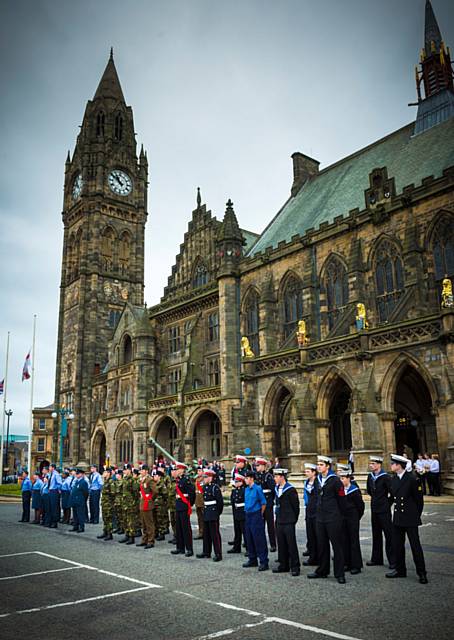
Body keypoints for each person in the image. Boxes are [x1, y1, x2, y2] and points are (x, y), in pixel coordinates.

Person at [386, 453, 428, 584]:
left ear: (399, 465)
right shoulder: (393, 479)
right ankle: (400, 570)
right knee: (397, 545)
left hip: (410, 517)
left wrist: (416, 515)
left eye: (393, 464)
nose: (391, 465)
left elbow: (419, 501)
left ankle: (422, 573)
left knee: (415, 546)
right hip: (398, 517)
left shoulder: (412, 479)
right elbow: (392, 498)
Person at [308, 455, 346, 584]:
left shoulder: (335, 480)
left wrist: (340, 516)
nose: (318, 466)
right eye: (318, 464)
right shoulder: (318, 479)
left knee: (337, 546)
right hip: (320, 517)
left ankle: (339, 573)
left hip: (333, 517)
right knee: (322, 545)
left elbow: (342, 499)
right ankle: (322, 570)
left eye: (321, 464)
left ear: (328, 466)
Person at [366, 455, 394, 568]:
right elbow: (369, 491)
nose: (371, 465)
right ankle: (377, 559)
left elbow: (392, 493)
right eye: (370, 463)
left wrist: (387, 503)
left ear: (379, 464)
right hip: (374, 509)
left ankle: (393, 561)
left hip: (384, 510)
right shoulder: (370, 476)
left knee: (389, 535)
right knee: (376, 534)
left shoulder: (386, 477)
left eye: (373, 463)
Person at [272, 468, 300, 576]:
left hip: (288, 520)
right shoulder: (277, 488)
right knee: (281, 543)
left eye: (276, 476)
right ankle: (283, 565)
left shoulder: (290, 489)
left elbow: (295, 507)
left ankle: (295, 566)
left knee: (291, 544)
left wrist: (293, 519)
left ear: (282, 477)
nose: (274, 478)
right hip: (279, 519)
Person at [338, 467, 364, 574]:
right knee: (344, 540)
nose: (342, 480)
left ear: (349, 479)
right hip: (343, 518)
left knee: (354, 541)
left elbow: (360, 506)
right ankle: (346, 563)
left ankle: (356, 565)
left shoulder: (354, 490)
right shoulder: (340, 491)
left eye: (344, 478)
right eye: (341, 478)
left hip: (353, 518)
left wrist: (356, 517)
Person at [243, 470, 269, 571]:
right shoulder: (246, 489)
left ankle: (263, 561)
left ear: (251, 479)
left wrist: (260, 514)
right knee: (249, 538)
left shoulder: (257, 488)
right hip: (248, 515)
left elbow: (263, 503)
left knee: (259, 538)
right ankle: (252, 559)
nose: (245, 480)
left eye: (247, 478)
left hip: (256, 515)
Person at [196, 468, 224, 561]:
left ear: (211, 477)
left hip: (213, 513)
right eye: (204, 477)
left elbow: (220, 503)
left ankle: (218, 553)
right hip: (207, 512)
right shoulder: (205, 487)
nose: (204, 478)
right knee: (206, 534)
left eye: (206, 477)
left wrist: (217, 513)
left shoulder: (215, 488)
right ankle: (206, 552)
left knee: (215, 534)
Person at [171, 462, 195, 557]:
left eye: (177, 469)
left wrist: (189, 504)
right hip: (178, 505)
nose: (176, 471)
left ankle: (189, 549)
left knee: (186, 528)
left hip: (184, 505)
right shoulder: (178, 480)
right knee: (179, 528)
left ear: (182, 470)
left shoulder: (186, 480)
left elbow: (192, 494)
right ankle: (180, 547)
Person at [254, 457, 276, 552]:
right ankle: (261, 544)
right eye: (256, 466)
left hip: (267, 503)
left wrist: (271, 502)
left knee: (270, 525)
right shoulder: (257, 476)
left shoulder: (268, 476)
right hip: (260, 503)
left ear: (263, 466)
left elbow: (273, 490)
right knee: (260, 525)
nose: (256, 467)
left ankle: (273, 544)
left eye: (258, 466)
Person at [136, 464, 156, 549]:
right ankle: (144, 539)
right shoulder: (141, 479)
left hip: (147, 503)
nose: (140, 472)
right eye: (140, 470)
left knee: (149, 524)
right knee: (143, 523)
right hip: (142, 503)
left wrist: (150, 499)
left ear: (146, 471)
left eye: (142, 470)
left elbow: (155, 491)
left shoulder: (149, 480)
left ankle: (150, 541)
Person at [303, 462, 318, 567]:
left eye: (308, 471)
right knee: (311, 535)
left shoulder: (318, 482)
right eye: (306, 471)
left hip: (317, 512)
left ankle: (319, 558)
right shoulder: (306, 482)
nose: (306, 473)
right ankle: (312, 557)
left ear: (314, 472)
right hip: (309, 511)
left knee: (318, 536)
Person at [228, 473, 247, 554]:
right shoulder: (234, 491)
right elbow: (232, 502)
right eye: (235, 481)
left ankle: (249, 549)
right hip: (236, 512)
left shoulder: (244, 490)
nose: (235, 483)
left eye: (237, 481)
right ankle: (236, 547)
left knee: (245, 532)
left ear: (241, 482)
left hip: (242, 512)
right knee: (237, 531)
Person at [97, 467, 115, 541]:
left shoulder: (111, 482)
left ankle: (109, 534)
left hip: (109, 503)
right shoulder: (105, 481)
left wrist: (111, 503)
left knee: (109, 519)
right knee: (105, 518)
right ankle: (105, 531)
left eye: (104, 472)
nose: (103, 474)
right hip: (104, 503)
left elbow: (113, 493)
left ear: (108, 473)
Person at [70, 468, 89, 533]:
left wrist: (83, 500)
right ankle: (75, 526)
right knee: (75, 514)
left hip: (80, 500)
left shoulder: (83, 482)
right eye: (76, 474)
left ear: (81, 474)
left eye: (78, 474)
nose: (76, 475)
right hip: (75, 500)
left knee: (80, 514)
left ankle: (81, 527)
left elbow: (86, 492)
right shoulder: (77, 481)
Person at [48, 463, 62, 528]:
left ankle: (54, 522)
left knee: (54, 508)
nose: (49, 468)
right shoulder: (51, 474)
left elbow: (59, 483)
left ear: (53, 468)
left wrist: (58, 490)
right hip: (51, 491)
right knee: (50, 507)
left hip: (54, 491)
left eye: (50, 467)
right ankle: (51, 521)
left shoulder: (56, 474)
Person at [193, 466, 205, 540]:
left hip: (203, 502)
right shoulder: (196, 479)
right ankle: (201, 532)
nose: (198, 472)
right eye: (198, 470)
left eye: (200, 470)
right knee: (199, 519)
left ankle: (205, 533)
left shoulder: (204, 479)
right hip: (198, 502)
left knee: (204, 518)